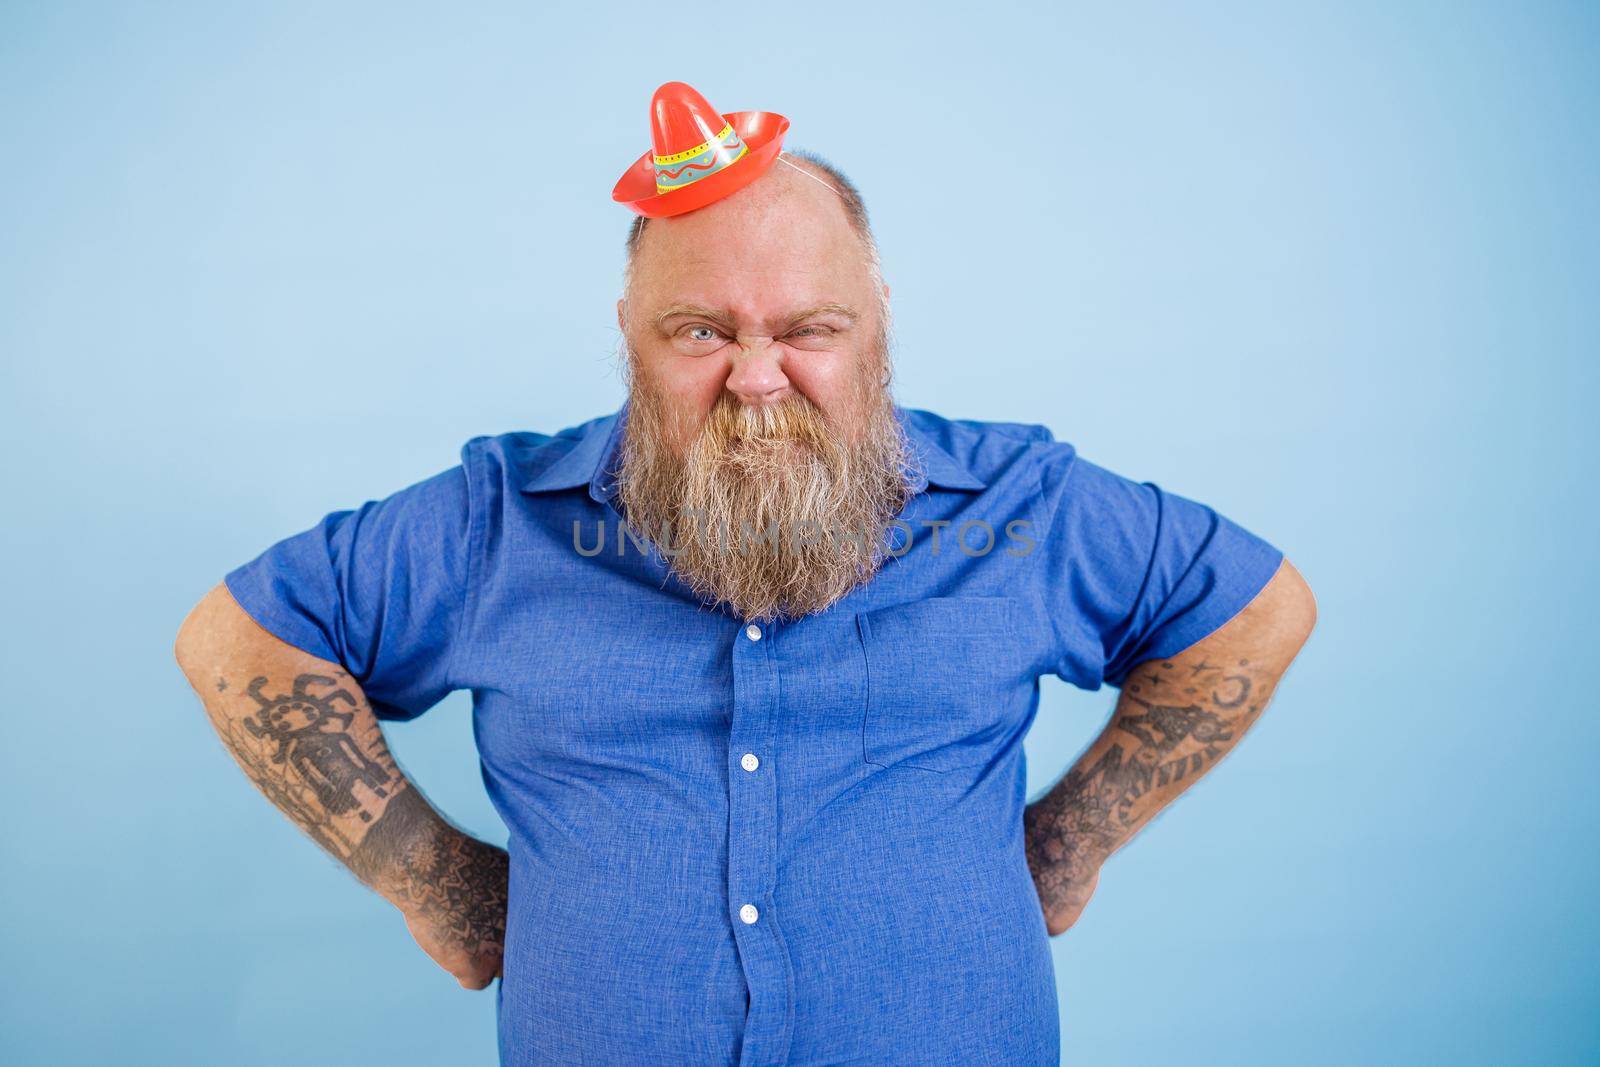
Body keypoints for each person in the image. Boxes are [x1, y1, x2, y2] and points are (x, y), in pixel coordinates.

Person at [174, 139, 1316, 1065]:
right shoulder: (497, 521)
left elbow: (1255, 608)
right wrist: (430, 881)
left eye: (810, 329)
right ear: (630, 331)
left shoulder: (1019, 507)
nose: (757, 377)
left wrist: (1073, 841)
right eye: (701, 331)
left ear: (877, 322)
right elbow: (239, 641)